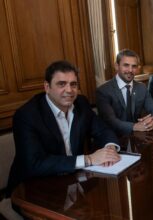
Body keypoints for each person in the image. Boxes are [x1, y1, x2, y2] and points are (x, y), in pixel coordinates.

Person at [7, 60, 121, 196]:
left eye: (73, 84)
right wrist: (88, 159)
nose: (69, 90)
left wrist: (110, 148)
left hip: (71, 181)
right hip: (31, 189)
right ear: (47, 87)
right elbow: (34, 164)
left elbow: (103, 130)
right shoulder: (27, 115)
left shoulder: (81, 103)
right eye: (61, 84)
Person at [96, 49, 153, 136]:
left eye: (134, 66)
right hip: (114, 139)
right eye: (126, 65)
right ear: (117, 66)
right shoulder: (103, 91)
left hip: (139, 137)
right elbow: (111, 121)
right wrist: (134, 126)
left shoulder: (141, 87)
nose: (130, 70)